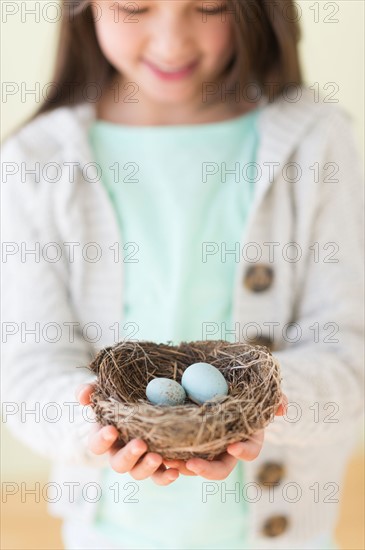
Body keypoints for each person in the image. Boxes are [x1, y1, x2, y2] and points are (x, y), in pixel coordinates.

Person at [1, 1, 363, 549]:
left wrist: (261, 402)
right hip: (111, 534)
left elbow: (349, 356)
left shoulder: (314, 143)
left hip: (285, 536)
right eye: (134, 6)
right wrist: (100, 425)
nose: (172, 42)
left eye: (210, 6)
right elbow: (26, 370)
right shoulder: (37, 162)